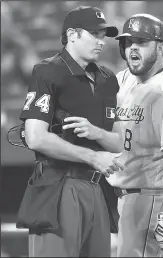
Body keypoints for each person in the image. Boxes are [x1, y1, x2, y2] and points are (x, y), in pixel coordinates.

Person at [18, 6, 123, 257]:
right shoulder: (48, 70)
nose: (101, 42)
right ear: (73, 35)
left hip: (97, 189)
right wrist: (93, 156)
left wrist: (96, 133)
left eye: (103, 35)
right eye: (94, 34)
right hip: (58, 187)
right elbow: (35, 136)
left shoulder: (108, 78)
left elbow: (120, 143)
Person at [106, 13, 163, 257]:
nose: (132, 48)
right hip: (131, 198)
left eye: (141, 42)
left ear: (160, 47)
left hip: (154, 199)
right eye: (127, 43)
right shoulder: (124, 79)